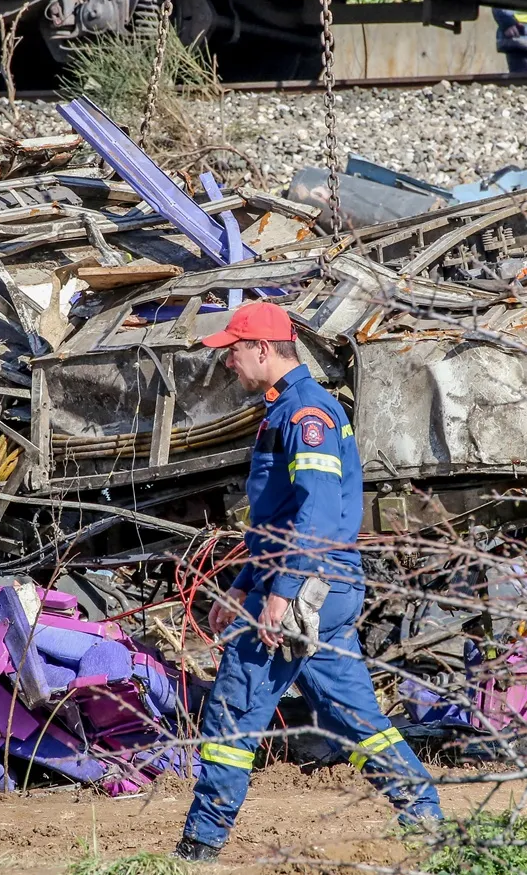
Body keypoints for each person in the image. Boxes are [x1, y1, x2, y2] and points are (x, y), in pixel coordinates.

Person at [175, 302, 442, 862]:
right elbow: (278, 521)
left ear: (264, 349)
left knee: (233, 707)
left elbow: (317, 514)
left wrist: (281, 593)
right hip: (316, 586)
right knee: (355, 718)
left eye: (234, 350)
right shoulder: (286, 412)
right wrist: (246, 584)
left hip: (309, 585)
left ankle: (198, 847)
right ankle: (426, 819)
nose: (229, 362)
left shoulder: (306, 416)